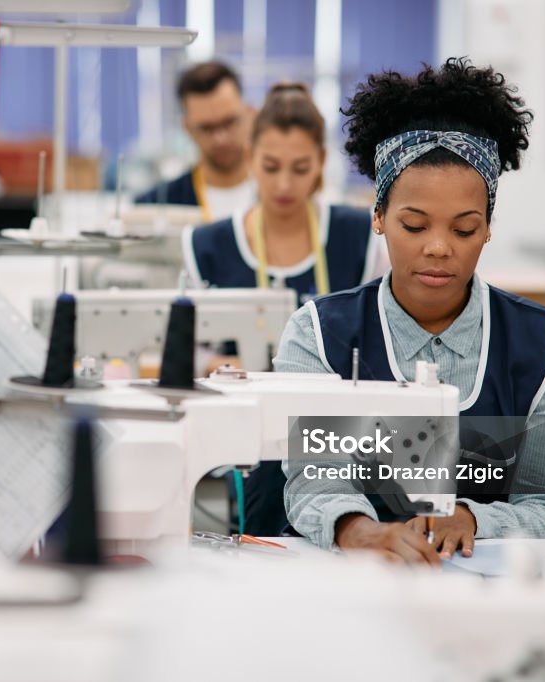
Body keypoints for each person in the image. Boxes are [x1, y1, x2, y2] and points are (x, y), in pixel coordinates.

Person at [277, 58, 545, 565]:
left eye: (464, 229)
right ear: (378, 217)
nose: (439, 247)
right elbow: (315, 481)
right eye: (415, 226)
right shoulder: (317, 335)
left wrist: (473, 518)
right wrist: (358, 531)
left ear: (488, 227)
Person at [182, 82, 383, 536]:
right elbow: (184, 349)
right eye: (270, 167)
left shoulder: (360, 238)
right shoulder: (207, 247)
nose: (285, 184)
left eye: (300, 168)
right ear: (250, 157)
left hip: (339, 440)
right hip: (247, 446)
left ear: (321, 165)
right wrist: (215, 365)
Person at [136, 61, 254, 222]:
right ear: (187, 128)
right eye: (207, 128)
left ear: (249, 113)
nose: (221, 139)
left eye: (229, 122)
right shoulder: (154, 207)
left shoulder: (281, 197)